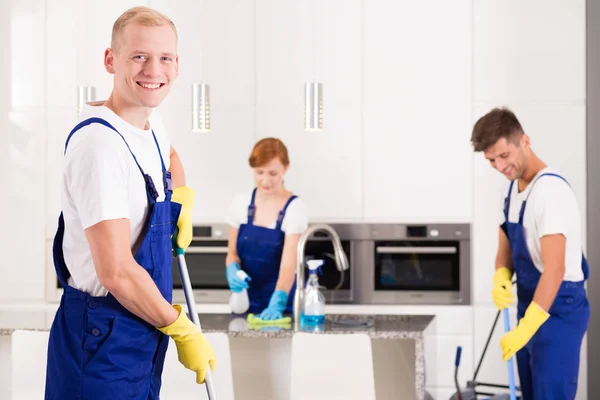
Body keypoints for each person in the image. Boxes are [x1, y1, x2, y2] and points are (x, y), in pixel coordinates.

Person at [45, 7, 216, 399]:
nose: (153, 70)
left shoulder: (149, 122)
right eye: (139, 56)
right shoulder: (100, 147)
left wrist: (182, 199)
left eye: (165, 58)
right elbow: (117, 272)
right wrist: (182, 328)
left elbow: (169, 156)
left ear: (177, 65)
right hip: (101, 337)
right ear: (111, 60)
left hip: (138, 329)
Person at [471, 107, 590, 400]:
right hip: (529, 304)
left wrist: (527, 328)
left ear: (524, 140)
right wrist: (501, 275)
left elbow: (555, 269)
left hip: (559, 308)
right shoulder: (509, 192)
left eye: (504, 156)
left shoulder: (550, 192)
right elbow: (505, 251)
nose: (499, 166)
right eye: (491, 161)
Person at [224, 138, 308, 320]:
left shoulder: (295, 208)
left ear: (286, 168)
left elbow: (288, 266)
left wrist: (277, 303)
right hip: (245, 303)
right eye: (259, 172)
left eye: (273, 173)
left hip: (282, 302)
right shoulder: (240, 203)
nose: (265, 180)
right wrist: (231, 268)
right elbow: (232, 252)